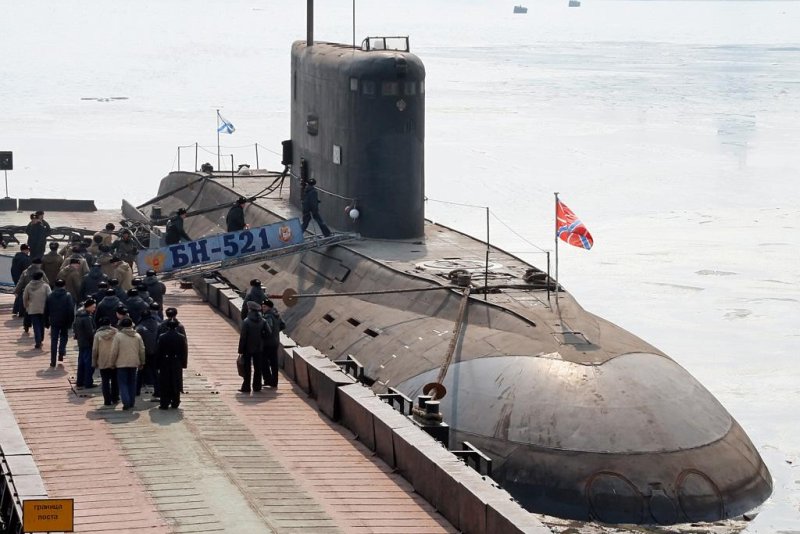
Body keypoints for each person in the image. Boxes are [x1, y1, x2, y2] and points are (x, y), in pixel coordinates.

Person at [110, 317, 145, 410]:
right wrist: (142, 362)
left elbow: (114, 351)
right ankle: (132, 402)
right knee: (132, 383)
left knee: (123, 383)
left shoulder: (118, 336)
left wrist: (112, 363)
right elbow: (142, 350)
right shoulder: (137, 336)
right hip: (134, 363)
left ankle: (126, 402)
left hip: (121, 364)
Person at [156, 319, 187, 409]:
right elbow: (184, 351)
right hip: (176, 362)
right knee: (176, 382)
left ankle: (164, 403)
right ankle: (175, 401)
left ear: (167, 326)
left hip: (165, 362)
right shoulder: (181, 337)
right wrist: (183, 363)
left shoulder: (162, 337)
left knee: (165, 382)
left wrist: (157, 364)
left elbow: (159, 351)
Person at [44, 279, 75, 367]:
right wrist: (71, 321)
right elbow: (71, 310)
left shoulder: (50, 295)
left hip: (54, 321)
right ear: (64, 285)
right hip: (65, 320)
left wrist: (46, 321)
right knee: (64, 336)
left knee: (54, 340)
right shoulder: (67, 295)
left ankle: (53, 361)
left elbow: (46, 310)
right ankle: (61, 351)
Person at [238, 301, 265, 393]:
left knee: (247, 368)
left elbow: (243, 337)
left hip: (247, 348)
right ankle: (257, 386)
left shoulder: (246, 322)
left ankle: (246, 387)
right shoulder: (263, 321)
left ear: (250, 309)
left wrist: (240, 350)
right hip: (259, 348)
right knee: (258, 368)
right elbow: (268, 332)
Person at [136, 304, 162, 399]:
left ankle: (136, 390)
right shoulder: (159, 325)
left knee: (140, 372)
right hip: (155, 352)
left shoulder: (139, 328)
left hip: (144, 353)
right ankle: (158, 391)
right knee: (155, 373)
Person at [92, 316, 119, 406]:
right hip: (115, 360)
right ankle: (115, 398)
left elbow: (95, 350)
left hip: (103, 360)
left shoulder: (97, 335)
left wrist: (94, 362)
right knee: (115, 380)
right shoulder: (116, 333)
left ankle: (107, 401)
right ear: (109, 324)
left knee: (105, 381)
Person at [23, 271, 50, 350]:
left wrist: (26, 306)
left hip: (32, 308)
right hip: (43, 308)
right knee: (41, 324)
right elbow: (50, 296)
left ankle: (37, 341)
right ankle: (41, 339)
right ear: (41, 277)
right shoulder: (45, 286)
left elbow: (25, 297)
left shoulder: (28, 286)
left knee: (35, 325)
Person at [260, 299, 284, 388]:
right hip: (275, 342)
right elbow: (283, 325)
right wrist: (276, 332)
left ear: (269, 307)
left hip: (267, 343)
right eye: (262, 307)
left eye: (264, 307)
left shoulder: (268, 316)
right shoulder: (276, 315)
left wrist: (262, 335)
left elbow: (268, 329)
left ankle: (268, 380)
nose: (263, 308)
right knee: (274, 362)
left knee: (263, 362)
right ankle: (274, 382)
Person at [74, 299, 97, 389]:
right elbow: (90, 333)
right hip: (88, 343)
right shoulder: (87, 318)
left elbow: (75, 328)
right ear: (89, 306)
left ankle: (80, 381)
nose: (94, 309)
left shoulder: (78, 315)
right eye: (93, 307)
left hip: (81, 342)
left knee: (81, 362)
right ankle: (88, 382)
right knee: (89, 364)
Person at [11, 244, 31, 316]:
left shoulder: (16, 257)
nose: (29, 251)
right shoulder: (26, 259)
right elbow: (27, 271)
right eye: (28, 250)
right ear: (25, 250)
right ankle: (21, 311)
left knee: (19, 293)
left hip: (15, 277)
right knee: (22, 294)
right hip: (22, 278)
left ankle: (15, 310)